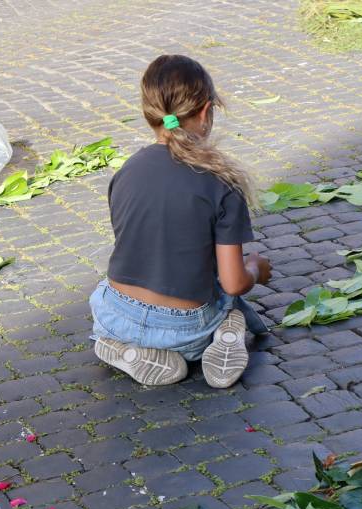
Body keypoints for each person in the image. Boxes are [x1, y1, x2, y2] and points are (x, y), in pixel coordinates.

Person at [89, 54, 271, 389]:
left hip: (116, 317)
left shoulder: (126, 171)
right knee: (226, 296)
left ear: (150, 113)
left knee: (104, 289)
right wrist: (255, 269)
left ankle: (127, 350)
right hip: (186, 329)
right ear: (205, 112)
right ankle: (223, 334)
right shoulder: (222, 183)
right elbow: (233, 282)